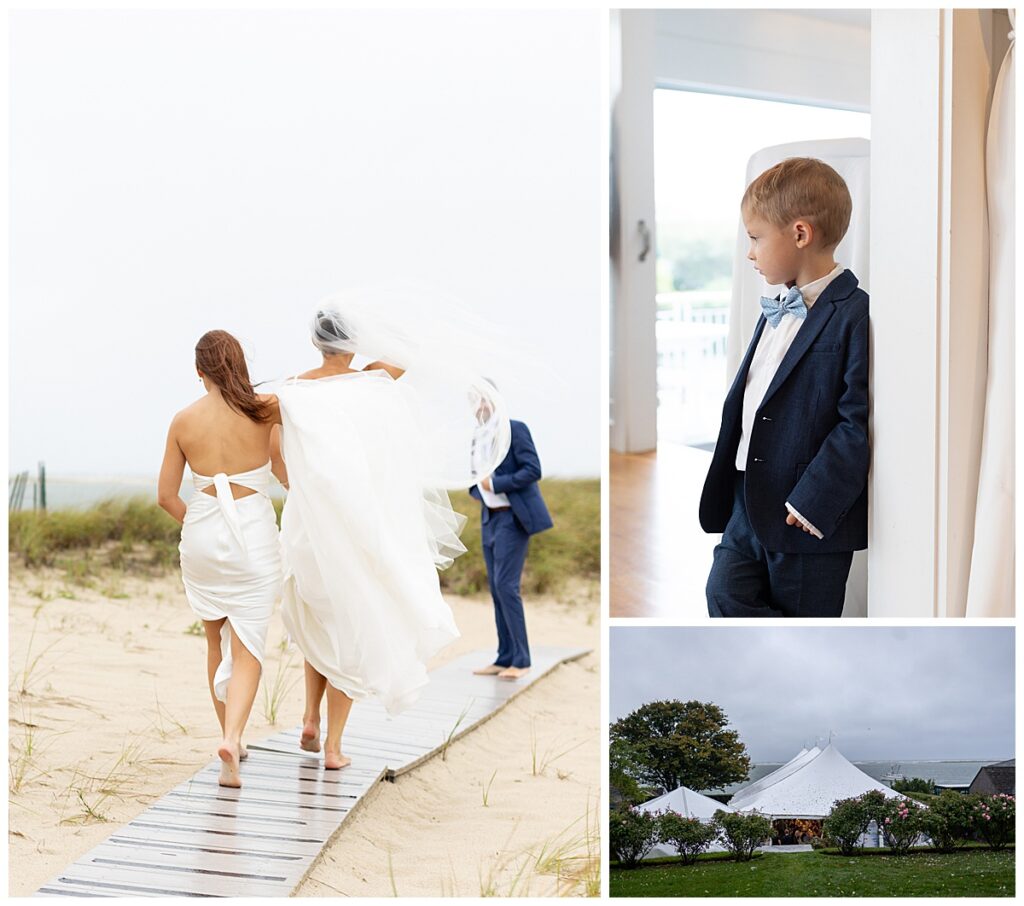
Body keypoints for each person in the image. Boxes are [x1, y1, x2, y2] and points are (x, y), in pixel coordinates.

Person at [273, 308, 508, 768]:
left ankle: (308, 717)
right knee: (351, 624)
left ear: (315, 343)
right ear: (354, 344)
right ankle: (335, 747)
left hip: (306, 520)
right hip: (355, 523)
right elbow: (407, 354)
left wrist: (296, 485)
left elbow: (275, 452)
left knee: (321, 618)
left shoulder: (292, 390)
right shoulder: (371, 383)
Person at [699, 157, 869, 618]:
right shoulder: (774, 308)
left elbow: (855, 423)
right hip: (745, 497)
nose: (750, 253)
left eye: (755, 238)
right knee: (723, 593)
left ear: (799, 234)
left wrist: (815, 499)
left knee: (805, 623)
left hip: (805, 513)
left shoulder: (854, 313)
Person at [157, 330, 286, 787]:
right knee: (249, 645)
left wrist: (200, 520)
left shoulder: (183, 420)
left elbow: (166, 496)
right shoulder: (267, 408)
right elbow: (288, 474)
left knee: (216, 642)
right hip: (251, 534)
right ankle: (233, 736)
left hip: (202, 535)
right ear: (239, 363)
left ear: (198, 371)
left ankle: (230, 740)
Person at [470, 416, 553, 680]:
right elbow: (474, 476)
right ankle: (504, 657)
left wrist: (494, 485)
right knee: (495, 588)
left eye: (483, 400)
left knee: (506, 586)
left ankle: (522, 660)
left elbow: (533, 469)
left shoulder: (515, 429)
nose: (479, 407)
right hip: (489, 518)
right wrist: (478, 490)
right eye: (474, 401)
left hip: (513, 517)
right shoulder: (477, 437)